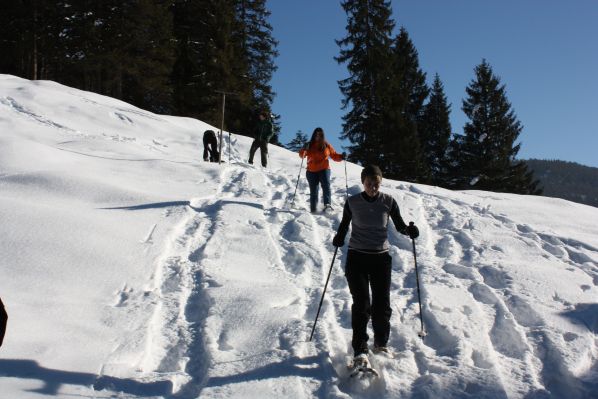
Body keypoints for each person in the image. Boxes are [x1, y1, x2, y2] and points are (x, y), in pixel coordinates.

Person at [332, 165, 419, 368]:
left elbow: (399, 226)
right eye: (369, 183)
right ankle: (360, 349)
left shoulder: (388, 201)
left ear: (381, 183)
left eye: (376, 183)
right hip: (357, 259)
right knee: (362, 305)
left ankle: (381, 343)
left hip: (380, 259)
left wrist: (410, 230)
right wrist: (338, 237)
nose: (373, 187)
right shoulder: (353, 202)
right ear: (363, 182)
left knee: (381, 305)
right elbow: (344, 225)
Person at [298, 127, 345, 213]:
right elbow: (302, 156)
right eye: (316, 134)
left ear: (322, 136)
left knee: (326, 186)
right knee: (314, 191)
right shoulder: (309, 145)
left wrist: (342, 156)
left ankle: (327, 205)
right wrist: (303, 149)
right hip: (311, 171)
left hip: (324, 169)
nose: (318, 136)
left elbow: (334, 155)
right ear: (314, 135)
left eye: (320, 135)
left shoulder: (326, 145)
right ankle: (313, 209)